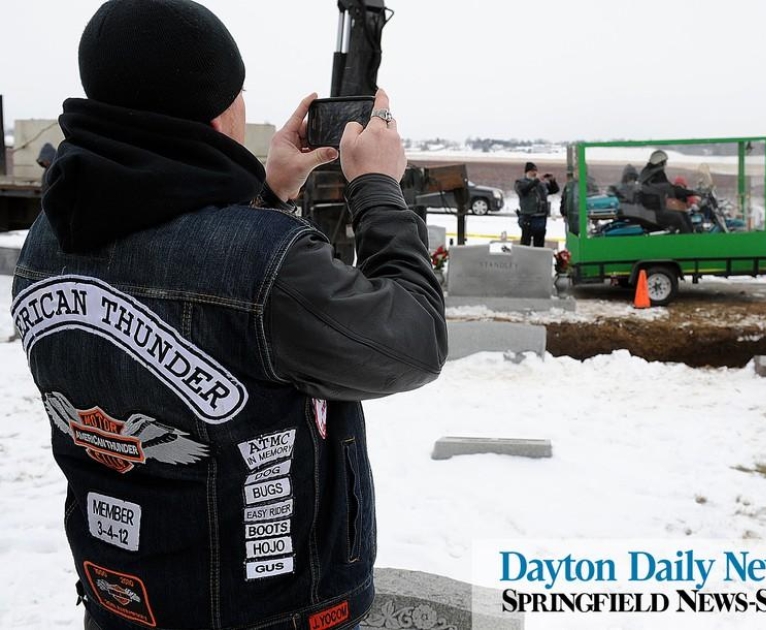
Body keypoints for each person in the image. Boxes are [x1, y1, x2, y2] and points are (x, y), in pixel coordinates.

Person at [10, 2, 447, 630]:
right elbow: (412, 343)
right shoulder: (264, 265)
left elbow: (188, 290)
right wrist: (376, 186)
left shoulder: (46, 240)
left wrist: (267, 198)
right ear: (220, 111)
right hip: (271, 610)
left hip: (121, 599)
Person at [638, 149, 697, 233]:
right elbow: (671, 189)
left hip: (649, 208)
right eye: (664, 162)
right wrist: (691, 192)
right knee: (678, 217)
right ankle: (688, 242)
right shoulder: (656, 175)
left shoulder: (648, 172)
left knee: (681, 211)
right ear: (660, 162)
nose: (665, 165)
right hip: (652, 211)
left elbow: (668, 188)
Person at [515, 161, 550, 246]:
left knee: (539, 243)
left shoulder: (540, 184)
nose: (535, 173)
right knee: (525, 242)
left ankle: (537, 258)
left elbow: (553, 190)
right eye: (532, 171)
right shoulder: (520, 182)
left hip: (541, 217)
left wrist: (552, 181)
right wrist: (536, 181)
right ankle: (525, 258)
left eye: (536, 171)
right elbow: (524, 191)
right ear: (527, 172)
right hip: (528, 216)